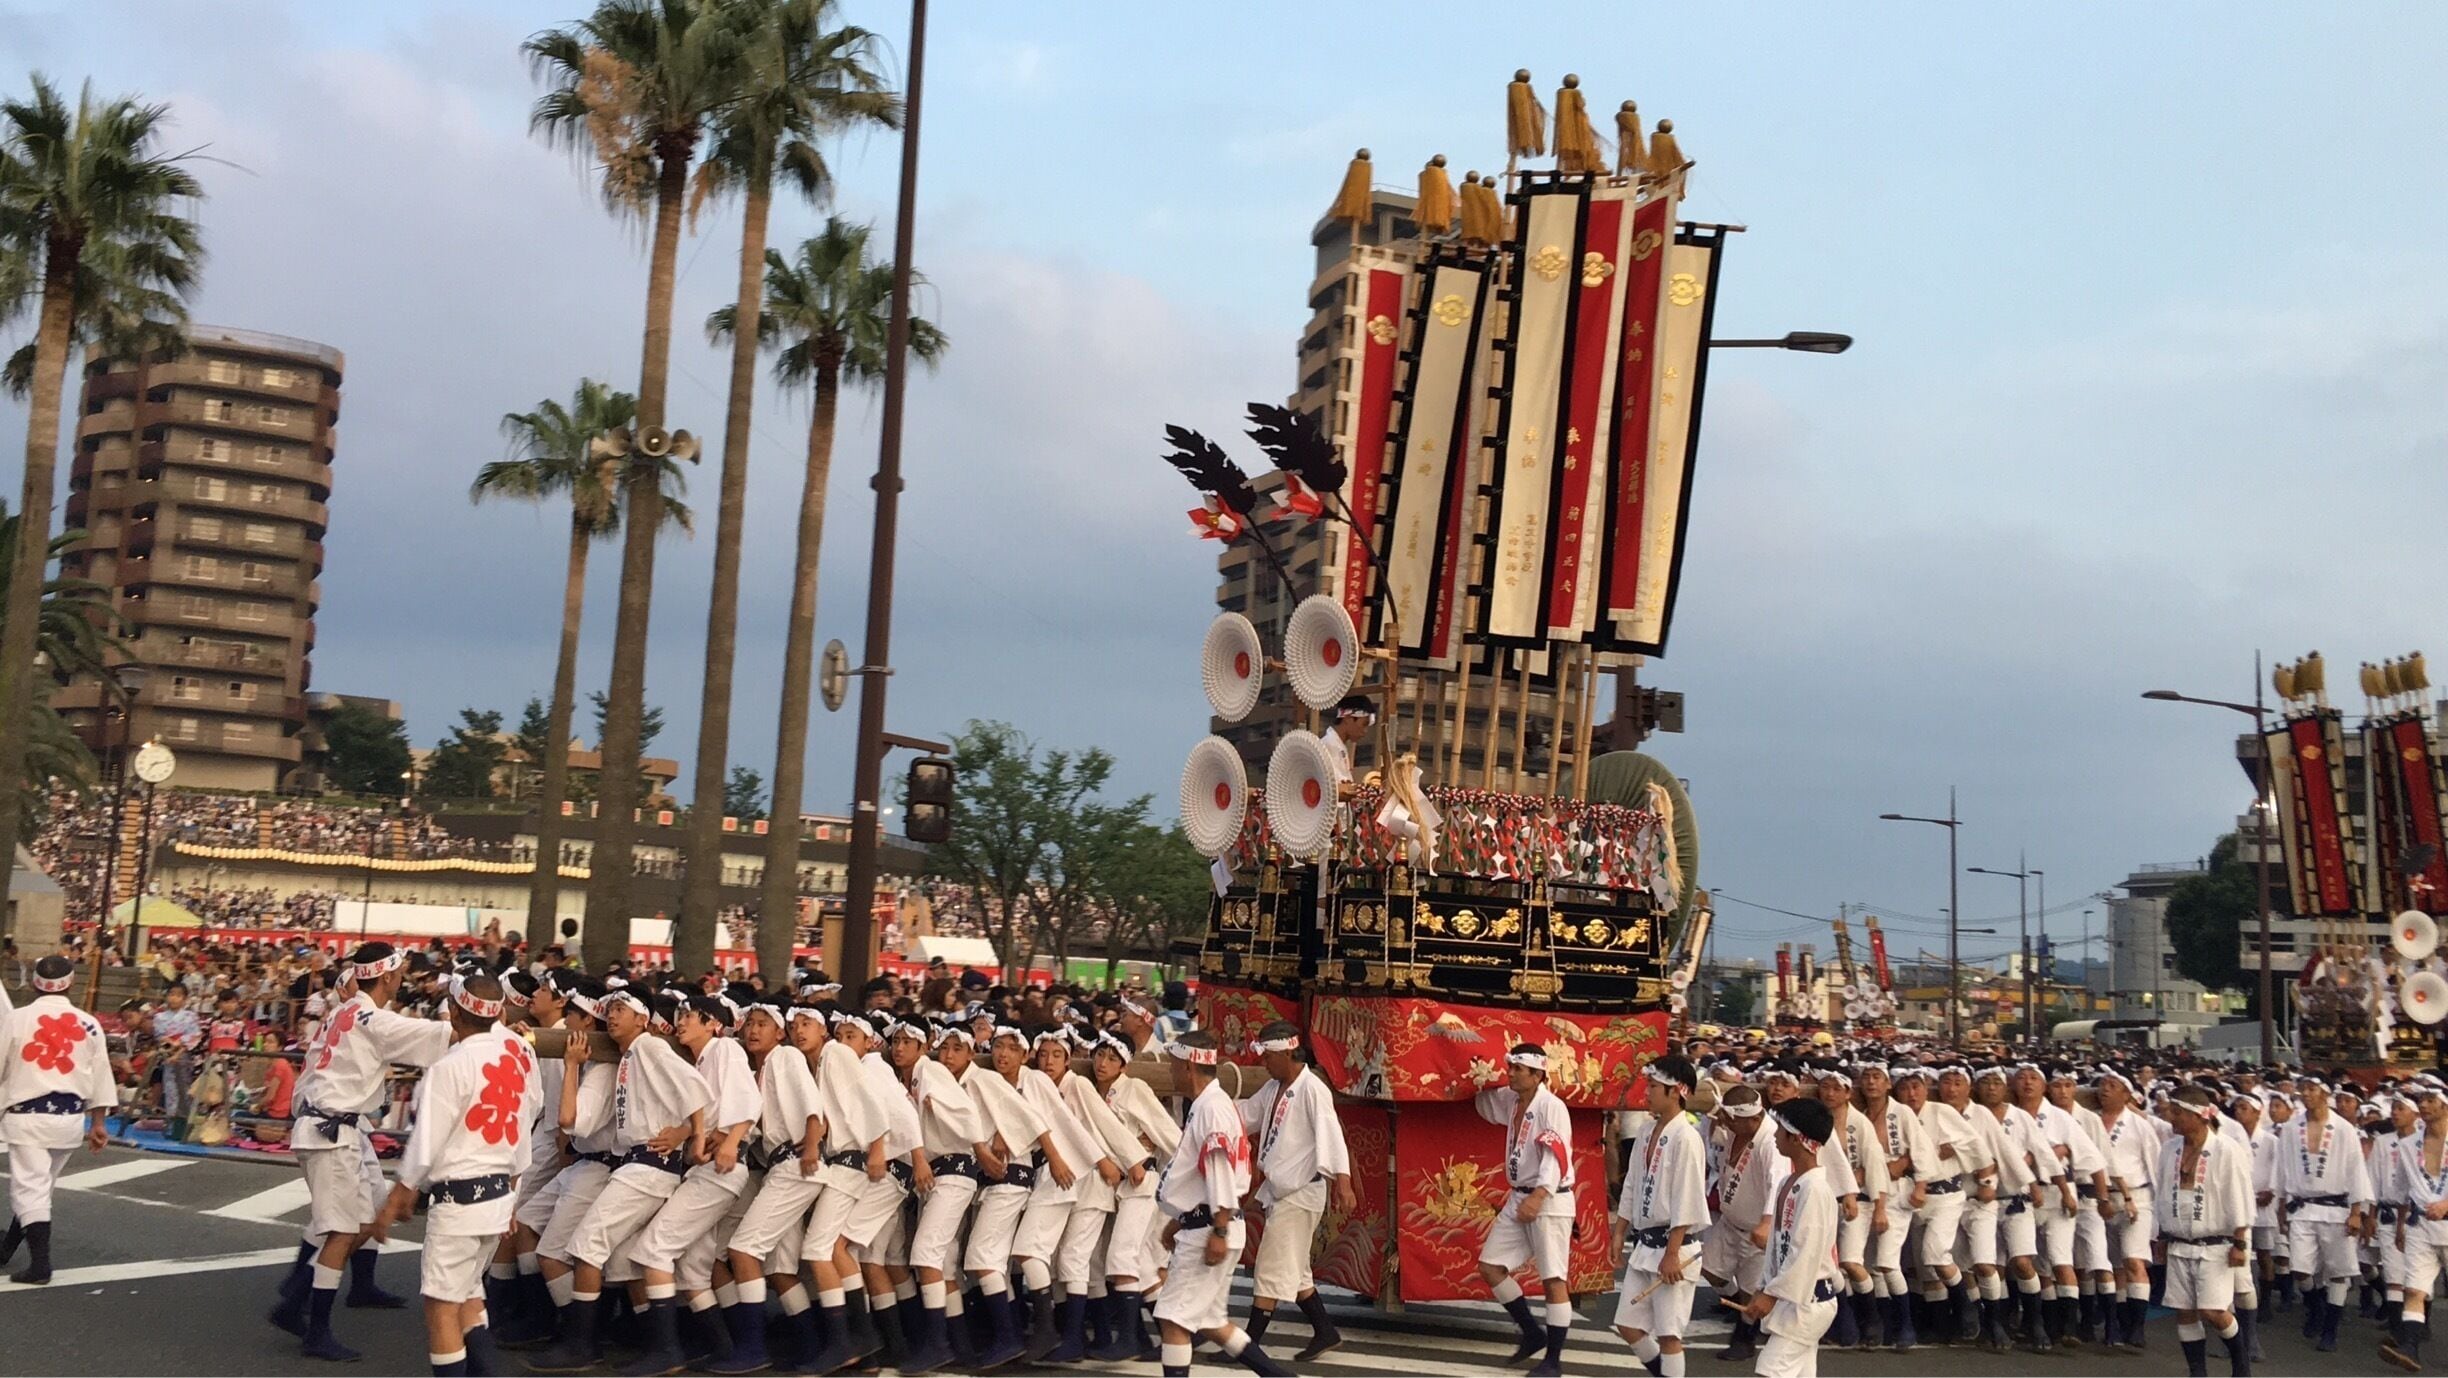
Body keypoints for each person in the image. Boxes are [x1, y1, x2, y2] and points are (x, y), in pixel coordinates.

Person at [270, 941, 453, 1362]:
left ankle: (300, 1297)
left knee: (360, 1217)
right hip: (332, 1129)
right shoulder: (374, 1018)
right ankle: (310, 1323)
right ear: (388, 976)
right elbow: (443, 1035)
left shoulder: (344, 1010)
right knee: (341, 1230)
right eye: (399, 972)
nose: (402, 978)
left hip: (336, 1126)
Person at [526, 987, 709, 1374]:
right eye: (609, 1009)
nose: (612, 1014)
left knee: (586, 1247)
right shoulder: (631, 1055)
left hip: (647, 1166)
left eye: (621, 1009)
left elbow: (696, 1087)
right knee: (627, 1261)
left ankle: (583, 1344)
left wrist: (687, 1133)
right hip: (639, 1165)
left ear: (642, 1018)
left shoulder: (649, 1047)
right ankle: (659, 1345)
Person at [367, 974, 536, 1377]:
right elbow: (522, 1139)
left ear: (455, 1012)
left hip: (459, 1200)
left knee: (441, 1307)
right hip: (498, 1194)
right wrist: (513, 1196)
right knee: (468, 1295)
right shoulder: (515, 1060)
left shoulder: (451, 1065)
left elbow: (426, 1141)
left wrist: (397, 1195)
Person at [1150, 1029, 1290, 1377]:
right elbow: (1205, 1176)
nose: (1170, 1071)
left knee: (1173, 1320)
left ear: (1188, 1066)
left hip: (1212, 1225)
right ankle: (1277, 1376)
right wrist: (1181, 1219)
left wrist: (1219, 1228)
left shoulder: (1211, 1108)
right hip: (1208, 1221)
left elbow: (1219, 1169)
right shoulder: (1212, 1104)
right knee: (1211, 1321)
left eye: (1174, 1064)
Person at [1238, 1021, 1355, 1362]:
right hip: (1282, 1190)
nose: (1264, 1063)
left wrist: (1343, 1182)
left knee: (1270, 1268)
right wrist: (1215, 1113)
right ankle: (1325, 1331)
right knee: (1298, 1271)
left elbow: (1331, 1134)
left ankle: (1247, 1347)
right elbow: (1247, 1116)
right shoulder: (1275, 1087)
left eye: (1269, 1056)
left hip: (1302, 1191)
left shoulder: (1311, 1088)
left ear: (1289, 1053)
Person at [0, 956, 116, 1284]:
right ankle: (7, 1247)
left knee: (30, 1189)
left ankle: (40, 1265)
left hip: (27, 1116)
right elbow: (101, 1075)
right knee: (40, 1187)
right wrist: (98, 1123)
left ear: (36, 983)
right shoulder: (89, 1023)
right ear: (72, 982)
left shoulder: (17, 1019)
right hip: (69, 1118)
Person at [1475, 1042, 1578, 1377]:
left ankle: (1554, 1359)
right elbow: (1484, 1105)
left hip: (1549, 1198)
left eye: (1519, 1069)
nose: (1512, 1074)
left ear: (1537, 1074)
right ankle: (1532, 1331)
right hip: (1519, 1196)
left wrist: (1540, 1194)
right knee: (1490, 1265)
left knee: (1553, 1279)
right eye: (1511, 1067)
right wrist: (1475, 1078)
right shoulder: (1511, 1099)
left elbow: (1556, 1153)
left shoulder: (1552, 1106)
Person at [1614, 1054, 1708, 1378]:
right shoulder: (1645, 1132)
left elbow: (1687, 1197)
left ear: (1675, 1091)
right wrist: (1618, 1232)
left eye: (1654, 1086)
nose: (1648, 1092)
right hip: (1645, 1245)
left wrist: (1671, 1253)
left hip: (1675, 1248)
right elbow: (1631, 1183)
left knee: (1669, 1335)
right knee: (1627, 1325)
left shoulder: (1687, 1137)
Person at [2155, 1086, 2253, 1377]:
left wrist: (2240, 1243)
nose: (2171, 1118)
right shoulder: (2169, 1149)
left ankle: (2241, 1362)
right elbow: (2162, 1192)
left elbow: (2239, 1196)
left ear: (2198, 1115)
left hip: (2216, 1243)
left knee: (2213, 1311)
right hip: (2178, 1241)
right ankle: (2197, 1371)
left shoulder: (2226, 1149)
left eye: (2177, 1112)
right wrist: (2161, 1236)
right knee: (2184, 1310)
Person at [1741, 1096, 1842, 1377]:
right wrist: (1763, 1287)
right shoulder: (1790, 1182)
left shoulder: (1816, 1191)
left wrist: (1771, 1294)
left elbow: (1805, 1254)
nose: (1774, 1135)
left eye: (1779, 1129)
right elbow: (1777, 1247)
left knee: (1769, 1371)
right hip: (1796, 1299)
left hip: (1809, 1302)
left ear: (1797, 1139)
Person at [2279, 1078, 2373, 1353]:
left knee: (2338, 1271)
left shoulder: (2344, 1129)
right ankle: (2315, 1306)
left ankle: (2330, 1328)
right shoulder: (2290, 1128)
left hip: (2337, 1207)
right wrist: (2282, 1204)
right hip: (2302, 1206)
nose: (2306, 1094)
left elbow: (2356, 1169)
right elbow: (2283, 1167)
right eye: (2303, 1089)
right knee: (2300, 1269)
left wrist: (2357, 1211)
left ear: (2325, 1094)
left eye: (2312, 1090)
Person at [1321, 697, 1373, 796]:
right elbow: (1336, 788)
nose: (1365, 731)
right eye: (1364, 724)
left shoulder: (1339, 746)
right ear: (1348, 718)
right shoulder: (1327, 746)